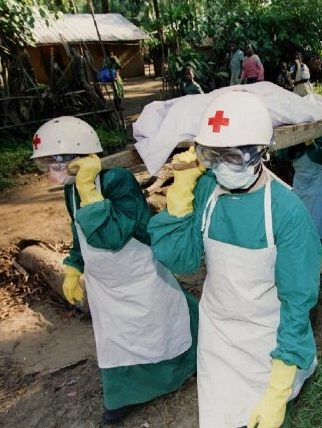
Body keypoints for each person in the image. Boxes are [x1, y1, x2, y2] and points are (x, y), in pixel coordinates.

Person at [147, 91, 321, 428]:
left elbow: (297, 304)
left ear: (260, 154)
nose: (222, 168)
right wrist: (181, 192)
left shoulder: (286, 212)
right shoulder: (206, 191)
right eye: (214, 156)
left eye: (234, 157)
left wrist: (279, 386)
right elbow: (181, 260)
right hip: (218, 337)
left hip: (267, 343)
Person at [30, 116, 198, 425]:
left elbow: (111, 235)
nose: (48, 174)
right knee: (116, 341)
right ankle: (122, 396)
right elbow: (79, 230)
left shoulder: (116, 181)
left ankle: (183, 369)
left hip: (139, 273)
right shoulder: (71, 190)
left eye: (51, 165)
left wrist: (90, 191)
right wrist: (72, 266)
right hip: (104, 282)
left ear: (75, 159)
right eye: (45, 166)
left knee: (163, 327)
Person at [278, 136, 322, 254]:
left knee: (318, 222)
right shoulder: (293, 131)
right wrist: (295, 143)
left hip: (318, 184)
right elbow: (283, 154)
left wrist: (311, 143)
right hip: (300, 184)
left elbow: (320, 155)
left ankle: (315, 257)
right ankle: (301, 256)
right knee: (299, 222)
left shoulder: (320, 133)